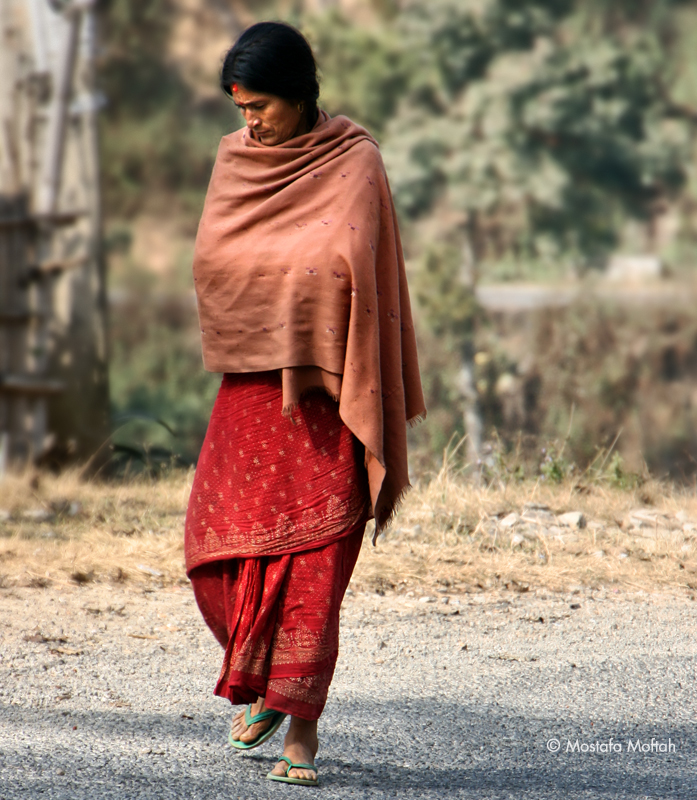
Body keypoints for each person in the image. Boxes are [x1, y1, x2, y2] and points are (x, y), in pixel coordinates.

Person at [184, 21, 425, 787]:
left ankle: (303, 731)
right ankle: (257, 682)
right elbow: (216, 261)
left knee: (318, 561)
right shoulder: (235, 161)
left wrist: (296, 286)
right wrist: (288, 282)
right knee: (216, 547)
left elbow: (352, 264)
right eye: (240, 106)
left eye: (260, 106)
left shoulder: (354, 162)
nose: (249, 120)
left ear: (299, 96)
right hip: (254, 389)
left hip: (328, 393)